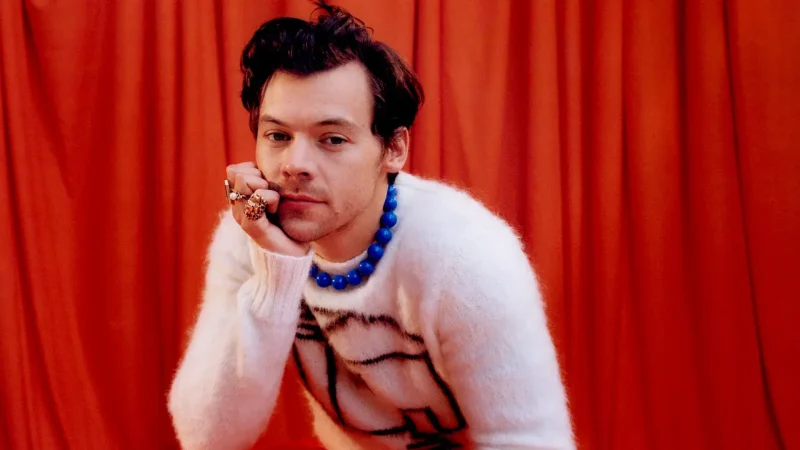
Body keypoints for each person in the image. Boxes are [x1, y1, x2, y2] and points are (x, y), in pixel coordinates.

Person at [167, 2, 574, 449]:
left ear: (394, 149)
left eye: (332, 139)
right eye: (278, 135)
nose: (294, 164)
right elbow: (207, 439)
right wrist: (274, 269)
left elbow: (528, 441)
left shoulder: (467, 255)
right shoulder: (249, 234)